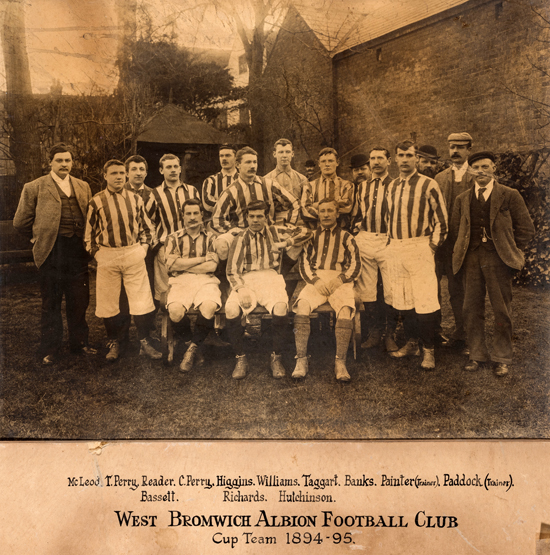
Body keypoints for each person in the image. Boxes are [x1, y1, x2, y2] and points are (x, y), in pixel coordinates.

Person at [451, 151, 534, 376]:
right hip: (471, 259)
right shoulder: (462, 199)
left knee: (501, 309)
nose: (480, 172)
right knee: (470, 308)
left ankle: (502, 357)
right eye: (475, 168)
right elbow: (458, 230)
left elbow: (526, 229)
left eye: (485, 167)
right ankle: (476, 354)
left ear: (494, 169)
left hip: (498, 259)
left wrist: (511, 250)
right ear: (470, 171)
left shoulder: (509, 195)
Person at [13, 142, 96, 365]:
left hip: (77, 252)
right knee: (51, 302)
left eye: (68, 160)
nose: (64, 164)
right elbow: (20, 222)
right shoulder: (35, 187)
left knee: (79, 300)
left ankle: (80, 343)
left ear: (72, 162)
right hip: (52, 252)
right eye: (59, 160)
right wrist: (38, 237)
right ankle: (51, 348)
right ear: (49, 162)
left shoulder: (83, 186)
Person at [225, 200, 312, 379]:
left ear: (266, 218)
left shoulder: (276, 231)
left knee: (281, 308)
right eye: (252, 216)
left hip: (271, 277)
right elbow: (232, 270)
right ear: (247, 217)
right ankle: (240, 358)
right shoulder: (240, 237)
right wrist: (240, 289)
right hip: (247, 280)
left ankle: (276, 356)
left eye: (259, 216)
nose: (255, 220)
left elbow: (306, 231)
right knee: (231, 309)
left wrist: (287, 242)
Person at [85, 159, 161, 361]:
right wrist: (98, 254)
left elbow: (147, 228)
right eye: (113, 173)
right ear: (105, 176)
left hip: (133, 253)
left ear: (125, 175)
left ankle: (144, 342)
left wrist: (143, 249)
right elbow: (88, 236)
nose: (118, 177)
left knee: (142, 300)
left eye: (121, 173)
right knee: (109, 302)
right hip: (108, 255)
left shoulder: (136, 199)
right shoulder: (96, 201)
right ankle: (114, 342)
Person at [386, 140, 448, 370]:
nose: (404, 160)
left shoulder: (428, 184)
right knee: (404, 301)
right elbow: (388, 219)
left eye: (409, 156)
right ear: (395, 159)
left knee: (425, 300)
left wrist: (431, 247)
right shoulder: (391, 186)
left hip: (420, 247)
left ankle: (429, 351)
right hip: (397, 248)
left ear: (417, 159)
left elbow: (442, 222)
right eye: (400, 155)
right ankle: (412, 343)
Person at [293, 198, 361, 381]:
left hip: (340, 280)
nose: (326, 215)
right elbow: (304, 264)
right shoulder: (311, 236)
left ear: (337, 214)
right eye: (322, 211)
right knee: (302, 307)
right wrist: (315, 281)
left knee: (345, 310)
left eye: (330, 211)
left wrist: (340, 279)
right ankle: (301, 359)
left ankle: (340, 362)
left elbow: (356, 265)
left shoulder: (347, 237)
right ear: (318, 214)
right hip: (317, 280)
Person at [211, 146, 300, 265]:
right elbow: (217, 219)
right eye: (248, 162)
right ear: (238, 165)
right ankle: (228, 281)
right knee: (221, 246)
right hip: (241, 234)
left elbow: (293, 203)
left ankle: (279, 274)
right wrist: (234, 231)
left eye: (255, 162)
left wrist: (288, 224)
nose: (252, 166)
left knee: (298, 242)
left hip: (268, 233)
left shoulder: (269, 185)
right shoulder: (230, 191)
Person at [164, 199, 223, 372]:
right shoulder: (173, 238)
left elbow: (212, 266)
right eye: (188, 213)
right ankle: (194, 344)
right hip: (181, 281)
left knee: (209, 306)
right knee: (174, 312)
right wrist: (203, 259)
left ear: (201, 215)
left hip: (206, 280)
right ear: (182, 216)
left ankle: (190, 351)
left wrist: (183, 262)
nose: (192, 217)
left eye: (195, 213)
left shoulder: (212, 238)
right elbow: (171, 266)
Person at [351, 148, 399, 352]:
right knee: (367, 290)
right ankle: (375, 331)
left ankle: (390, 334)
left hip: (388, 240)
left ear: (389, 161)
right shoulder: (362, 186)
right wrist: (357, 230)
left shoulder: (396, 184)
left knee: (391, 290)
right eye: (373, 158)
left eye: (381, 158)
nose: (376, 162)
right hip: (367, 238)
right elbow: (358, 213)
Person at [434, 132, 476, 351]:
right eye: (452, 147)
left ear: (469, 149)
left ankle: (464, 332)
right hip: (440, 243)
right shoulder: (440, 178)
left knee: (459, 289)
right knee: (432, 288)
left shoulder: (476, 176)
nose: (455, 151)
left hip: (463, 244)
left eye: (460, 147)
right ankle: (435, 331)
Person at [145, 153, 200, 303]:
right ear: (161, 170)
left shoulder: (192, 191)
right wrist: (155, 243)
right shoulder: (155, 194)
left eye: (176, 166)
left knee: (190, 283)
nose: (173, 170)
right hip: (166, 248)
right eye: (168, 167)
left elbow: (200, 218)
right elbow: (147, 221)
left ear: (181, 169)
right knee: (165, 290)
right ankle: (168, 324)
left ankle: (184, 321)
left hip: (190, 245)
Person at [302, 147, 354, 229]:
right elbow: (305, 210)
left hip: (340, 232)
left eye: (330, 161)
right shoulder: (309, 186)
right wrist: (335, 205)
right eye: (323, 161)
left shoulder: (347, 185)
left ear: (337, 162)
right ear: (319, 164)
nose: (327, 164)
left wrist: (316, 205)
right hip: (316, 232)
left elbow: (347, 207)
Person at [264, 138, 309, 222]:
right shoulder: (266, 179)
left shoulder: (302, 179)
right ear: (274, 154)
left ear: (292, 154)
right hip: (275, 223)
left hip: (297, 223)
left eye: (287, 152)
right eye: (281, 152)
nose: (284, 155)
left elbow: (306, 206)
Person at [202, 144, 238, 218]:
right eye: (221, 156)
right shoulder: (210, 181)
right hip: (217, 225)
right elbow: (207, 203)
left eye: (228, 155)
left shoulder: (243, 179)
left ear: (236, 158)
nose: (224, 159)